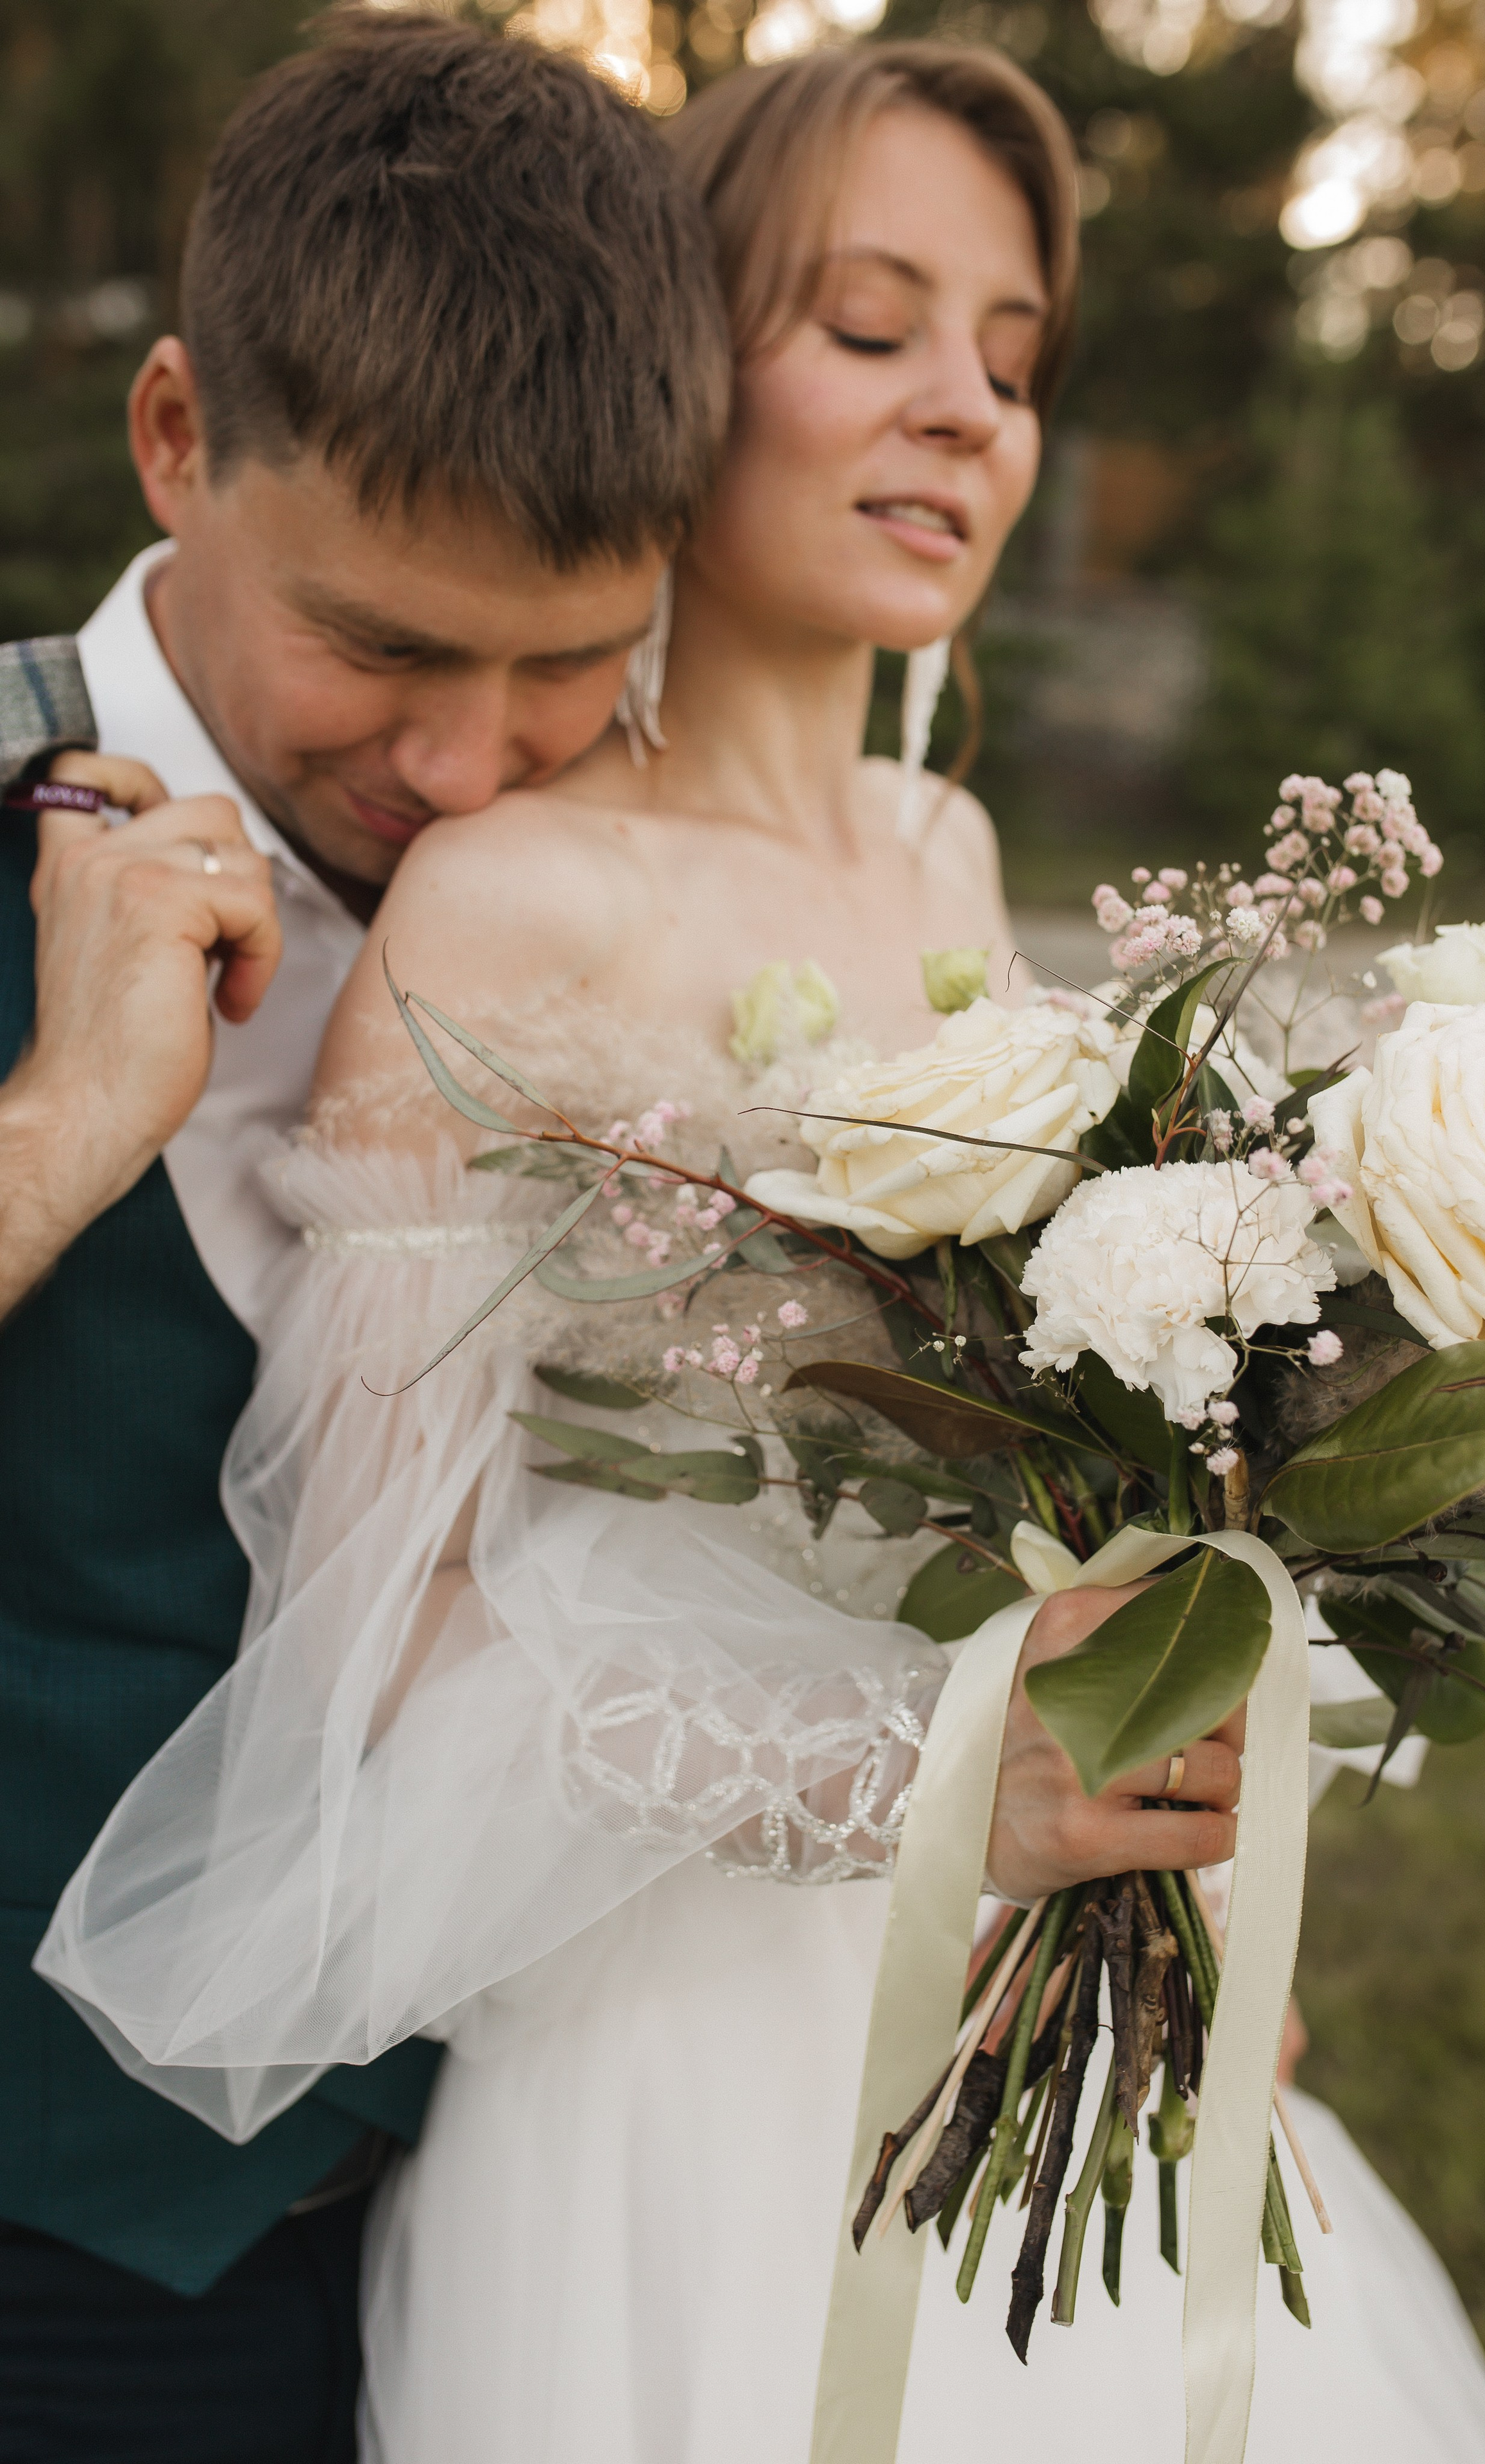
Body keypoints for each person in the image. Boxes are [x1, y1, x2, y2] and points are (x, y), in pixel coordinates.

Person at [37, 38, 1485, 2464]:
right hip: (667, 2069)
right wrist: (956, 1771)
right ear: (673, 376)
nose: (964, 406)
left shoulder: (942, 858)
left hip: (1008, 1986)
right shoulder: (504, 899)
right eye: (869, 327)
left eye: (1016, 355)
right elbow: (377, 1667)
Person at [0, 10, 729, 2458]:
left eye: (566, 660)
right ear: (180, 438)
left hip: (500, 2232)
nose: (464, 766)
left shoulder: (631, 894)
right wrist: (68, 1112)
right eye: (385, 648)